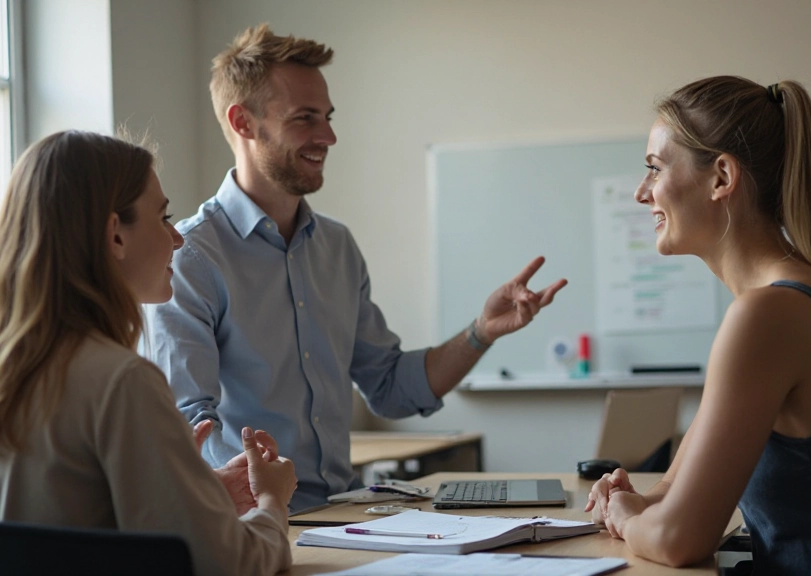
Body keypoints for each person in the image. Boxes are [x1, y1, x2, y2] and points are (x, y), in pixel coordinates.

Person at [145, 24, 567, 512]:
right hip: (259, 523)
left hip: (344, 512)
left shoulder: (337, 247)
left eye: (327, 116)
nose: (328, 135)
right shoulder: (191, 257)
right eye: (305, 119)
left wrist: (481, 332)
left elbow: (390, 389)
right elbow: (187, 424)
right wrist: (263, 507)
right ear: (243, 123)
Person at [585, 76, 811, 575]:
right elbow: (673, 488)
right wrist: (638, 501)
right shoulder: (802, 294)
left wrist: (626, 518)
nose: (640, 192)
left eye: (654, 168)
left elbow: (679, 540)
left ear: (721, 178)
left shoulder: (769, 316)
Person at [0, 130, 298, 575]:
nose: (178, 239)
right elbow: (223, 566)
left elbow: (44, 535)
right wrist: (271, 504)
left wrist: (191, 496)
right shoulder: (121, 383)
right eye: (164, 217)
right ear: (116, 236)